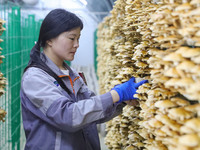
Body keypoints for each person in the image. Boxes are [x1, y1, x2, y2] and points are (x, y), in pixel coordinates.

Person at [20, 9, 148, 150]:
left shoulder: (72, 74)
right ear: (49, 39)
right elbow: (68, 116)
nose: (77, 44)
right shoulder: (35, 78)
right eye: (71, 38)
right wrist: (115, 94)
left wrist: (120, 101)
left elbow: (91, 112)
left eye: (78, 38)